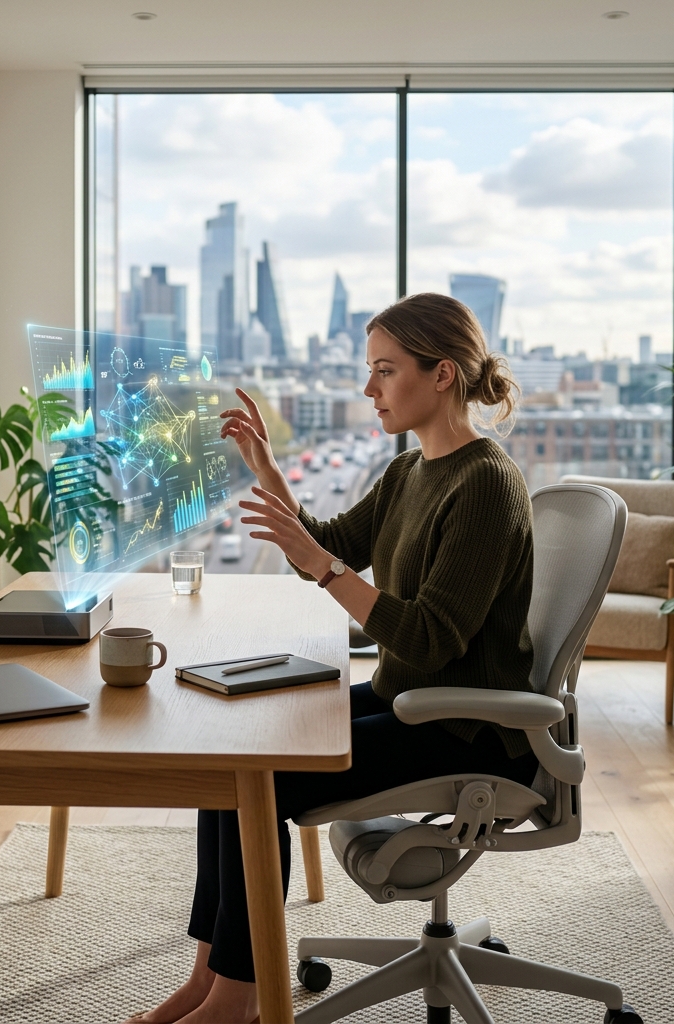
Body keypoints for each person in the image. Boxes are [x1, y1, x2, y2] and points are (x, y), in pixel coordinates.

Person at [126, 292, 538, 1024]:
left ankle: (238, 1001)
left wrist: (317, 562)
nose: (369, 389)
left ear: (442, 375)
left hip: (469, 728)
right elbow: (330, 543)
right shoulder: (410, 472)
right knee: (227, 754)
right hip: (412, 701)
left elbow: (430, 636)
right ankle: (208, 983)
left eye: (385, 371)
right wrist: (266, 466)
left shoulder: (486, 485)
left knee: (260, 783)